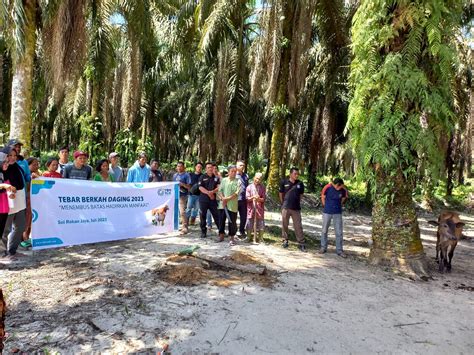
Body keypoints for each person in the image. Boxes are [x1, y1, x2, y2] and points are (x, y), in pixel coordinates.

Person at [1, 147, 27, 258]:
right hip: (6, 202)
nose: (12, 158)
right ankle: (2, 253)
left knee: (20, 226)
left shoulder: (17, 167)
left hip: (20, 200)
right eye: (9, 155)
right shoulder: (2, 169)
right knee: (5, 229)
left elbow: (25, 179)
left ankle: (12, 250)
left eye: (14, 156)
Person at [320, 177, 348, 258]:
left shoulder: (343, 190)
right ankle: (323, 247)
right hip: (327, 212)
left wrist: (339, 205)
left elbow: (344, 198)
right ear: (336, 185)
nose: (341, 188)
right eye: (340, 186)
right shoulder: (327, 187)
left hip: (337, 213)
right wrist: (325, 206)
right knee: (324, 230)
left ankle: (339, 250)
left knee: (339, 232)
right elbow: (323, 196)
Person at [279, 167, 306, 252]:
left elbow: (301, 195)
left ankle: (301, 243)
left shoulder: (300, 183)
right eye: (295, 174)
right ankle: (285, 240)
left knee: (298, 226)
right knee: (284, 224)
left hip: (296, 208)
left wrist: (297, 201)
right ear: (290, 174)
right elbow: (281, 193)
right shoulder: (284, 182)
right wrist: (283, 203)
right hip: (286, 207)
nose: (297, 175)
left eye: (298, 174)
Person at [217, 165, 240, 246]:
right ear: (228, 172)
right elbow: (219, 190)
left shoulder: (238, 181)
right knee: (221, 220)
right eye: (232, 171)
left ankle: (231, 237)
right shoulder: (224, 180)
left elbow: (237, 193)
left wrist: (227, 199)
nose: (234, 173)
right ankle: (221, 235)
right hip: (222, 205)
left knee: (232, 222)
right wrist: (223, 198)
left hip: (232, 205)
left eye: (235, 171)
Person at [0, 152, 16, 259]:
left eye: (7, 162)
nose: (7, 164)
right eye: (4, 162)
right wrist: (3, 185)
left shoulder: (2, 173)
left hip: (4, 207)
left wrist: (11, 191)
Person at [198, 162, 220, 239]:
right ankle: (203, 232)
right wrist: (208, 193)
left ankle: (221, 231)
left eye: (211, 167)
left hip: (212, 200)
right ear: (206, 169)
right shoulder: (202, 177)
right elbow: (200, 187)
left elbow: (218, 187)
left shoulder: (216, 177)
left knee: (216, 215)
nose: (210, 169)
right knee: (203, 216)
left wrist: (213, 192)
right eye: (208, 167)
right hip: (203, 200)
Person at [246, 172, 266, 244]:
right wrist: (253, 197)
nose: (258, 180)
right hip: (251, 208)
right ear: (254, 178)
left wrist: (258, 199)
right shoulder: (249, 187)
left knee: (261, 223)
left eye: (260, 179)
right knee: (249, 222)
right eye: (257, 178)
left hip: (259, 208)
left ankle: (260, 238)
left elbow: (263, 199)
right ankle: (248, 237)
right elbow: (247, 198)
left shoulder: (262, 187)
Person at [173, 161, 191, 234]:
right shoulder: (175, 175)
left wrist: (182, 184)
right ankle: (175, 226)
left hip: (183, 195)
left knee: (182, 211)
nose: (179, 167)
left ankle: (185, 227)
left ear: (184, 167)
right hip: (175, 195)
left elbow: (189, 187)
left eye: (181, 166)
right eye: (178, 166)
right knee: (175, 211)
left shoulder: (186, 175)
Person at [236, 160, 249, 239]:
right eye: (240, 165)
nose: (242, 166)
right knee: (234, 216)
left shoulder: (246, 176)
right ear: (236, 166)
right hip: (235, 199)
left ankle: (241, 231)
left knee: (243, 216)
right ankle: (233, 231)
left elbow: (247, 187)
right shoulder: (234, 175)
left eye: (243, 165)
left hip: (244, 199)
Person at [207, 163, 221, 230]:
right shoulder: (209, 176)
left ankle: (219, 225)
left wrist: (219, 177)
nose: (214, 170)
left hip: (219, 197)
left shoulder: (219, 176)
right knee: (209, 212)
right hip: (211, 197)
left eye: (216, 168)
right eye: (213, 168)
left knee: (218, 212)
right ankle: (209, 225)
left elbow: (222, 186)